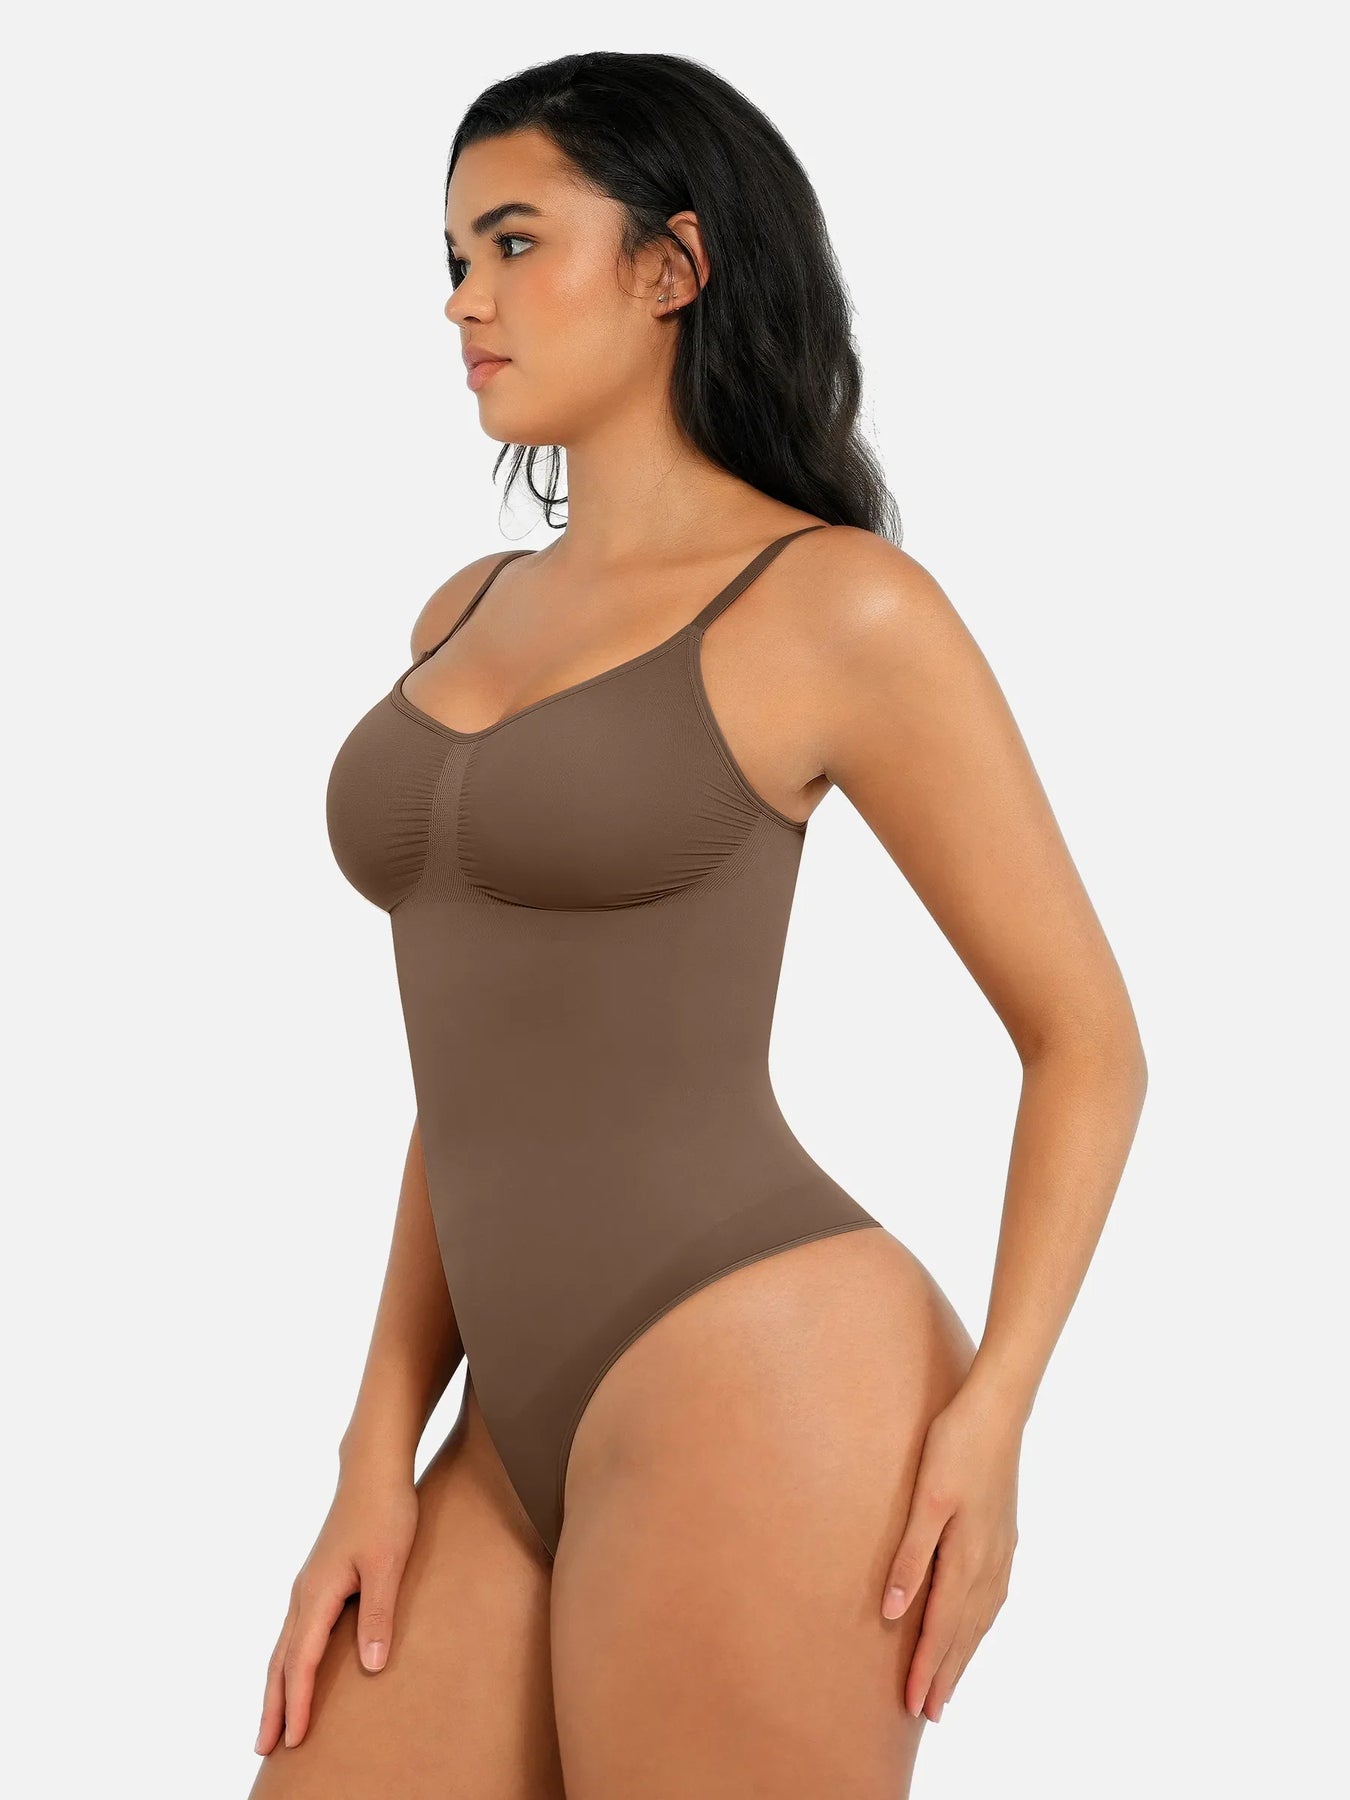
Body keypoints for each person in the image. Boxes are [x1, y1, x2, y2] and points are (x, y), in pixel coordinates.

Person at [249, 50, 1146, 1800]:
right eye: (451, 258)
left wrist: (995, 1413)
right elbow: (482, 1072)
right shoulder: (462, 611)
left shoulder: (838, 607)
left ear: (671, 267)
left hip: (765, 1371)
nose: (463, 301)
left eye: (515, 244)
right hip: (496, 1418)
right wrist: (375, 1440)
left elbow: (1084, 1041)